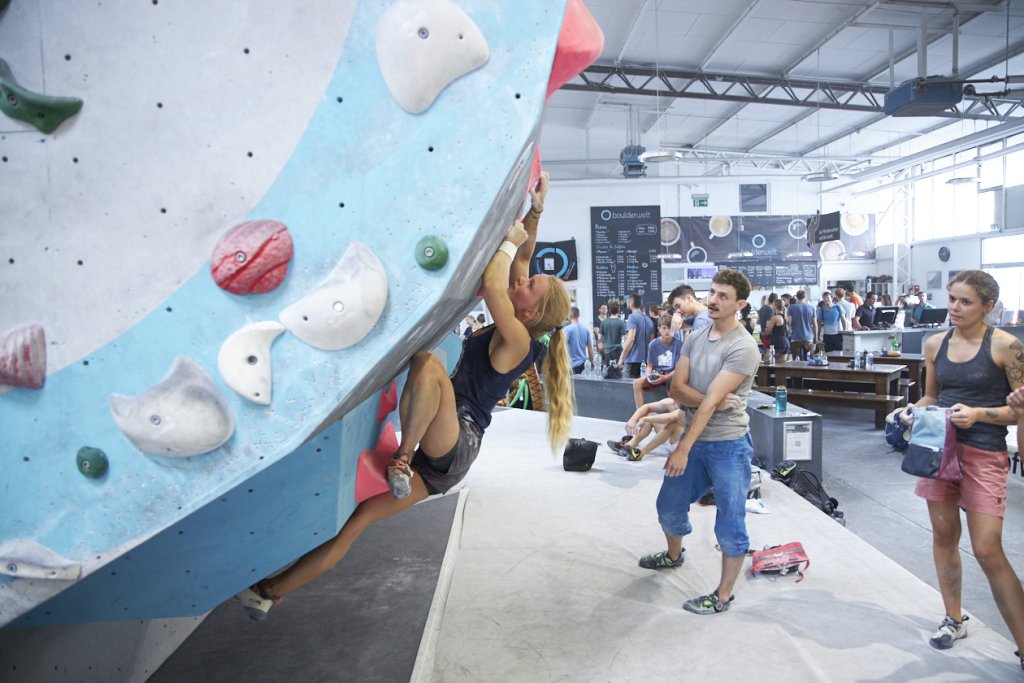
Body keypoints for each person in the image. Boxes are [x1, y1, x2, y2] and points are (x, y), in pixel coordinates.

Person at [235, 172, 574, 620]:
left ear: (531, 311)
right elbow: (524, 256)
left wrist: (507, 242)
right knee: (354, 525)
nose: (524, 280)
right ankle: (267, 592)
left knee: (426, 364)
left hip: (455, 442)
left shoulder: (519, 341)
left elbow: (496, 283)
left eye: (531, 286)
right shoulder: (522, 319)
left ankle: (402, 457)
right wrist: (535, 210)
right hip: (442, 454)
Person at [900, 270, 1024, 666]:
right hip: (938, 451)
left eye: (966, 301)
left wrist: (980, 414)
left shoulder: (1007, 347)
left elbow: (1019, 410)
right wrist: (909, 412)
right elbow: (932, 396)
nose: (955, 307)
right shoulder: (935, 343)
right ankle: (954, 618)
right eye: (952, 298)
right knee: (943, 535)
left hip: (985, 454)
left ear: (988, 306)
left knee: (987, 549)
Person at [638, 268, 760, 615]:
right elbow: (676, 389)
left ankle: (723, 596)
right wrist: (715, 400)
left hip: (728, 446)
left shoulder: (743, 347)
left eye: (724, 296)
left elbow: (699, 403)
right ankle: (674, 554)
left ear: (740, 304)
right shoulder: (694, 337)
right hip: (699, 438)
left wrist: (683, 447)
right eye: (713, 293)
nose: (715, 300)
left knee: (730, 522)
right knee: (668, 506)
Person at [606, 396, 687, 462]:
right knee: (651, 415)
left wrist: (644, 419)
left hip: (684, 445)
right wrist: (633, 419)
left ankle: (641, 453)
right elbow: (647, 406)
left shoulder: (690, 403)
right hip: (671, 440)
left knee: (674, 423)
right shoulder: (670, 402)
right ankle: (630, 445)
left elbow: (671, 417)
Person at [632, 314, 683, 409]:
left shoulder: (679, 344)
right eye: (664, 328)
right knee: (637, 382)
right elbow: (650, 365)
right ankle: (641, 412)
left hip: (671, 374)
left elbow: (679, 369)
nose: (667, 331)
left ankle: (675, 414)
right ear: (659, 329)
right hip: (657, 373)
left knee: (676, 383)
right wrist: (648, 376)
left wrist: (666, 377)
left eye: (670, 328)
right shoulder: (653, 344)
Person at [618, 294, 655, 378]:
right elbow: (652, 342)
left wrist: (621, 358)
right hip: (646, 362)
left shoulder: (632, 317)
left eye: (627, 302)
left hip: (632, 361)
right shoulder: (649, 320)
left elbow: (631, 339)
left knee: (627, 389)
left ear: (630, 303)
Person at [565, 306, 594, 374]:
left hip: (571, 365)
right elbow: (590, 348)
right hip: (583, 364)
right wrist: (592, 361)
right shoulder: (586, 330)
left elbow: (563, 347)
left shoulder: (567, 329)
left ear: (569, 315)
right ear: (579, 315)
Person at [787, 290, 815, 360]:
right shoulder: (811, 308)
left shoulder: (791, 308)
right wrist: (816, 337)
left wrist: (790, 330)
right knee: (810, 360)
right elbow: (815, 324)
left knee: (796, 360)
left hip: (795, 337)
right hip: (808, 337)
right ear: (805, 297)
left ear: (796, 297)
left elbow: (789, 323)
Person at [600, 302, 626, 373]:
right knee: (617, 372)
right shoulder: (621, 323)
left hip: (607, 351)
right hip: (617, 351)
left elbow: (600, 339)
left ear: (609, 310)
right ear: (618, 311)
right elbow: (625, 338)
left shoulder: (603, 322)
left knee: (609, 372)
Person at [593, 302, 608, 367]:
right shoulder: (596, 320)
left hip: (609, 344)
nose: (605, 310)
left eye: (606, 308)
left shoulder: (609, 319)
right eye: (603, 308)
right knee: (601, 361)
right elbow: (598, 333)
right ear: (599, 310)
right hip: (600, 344)